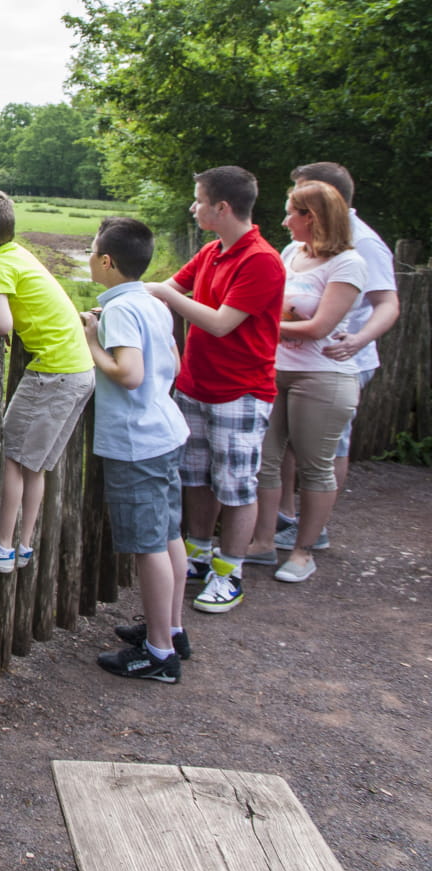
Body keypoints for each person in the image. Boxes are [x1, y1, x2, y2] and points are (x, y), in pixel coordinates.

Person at [145, 166, 284, 614]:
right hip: (196, 385)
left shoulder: (260, 260)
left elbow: (222, 323)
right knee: (196, 477)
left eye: (199, 200)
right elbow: (170, 287)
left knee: (237, 487)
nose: (193, 207)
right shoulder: (212, 252)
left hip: (239, 392)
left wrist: (165, 296)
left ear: (222, 207)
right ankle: (200, 556)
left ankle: (230, 573)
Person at [0, 189, 95, 574]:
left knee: (10, 457)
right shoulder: (14, 254)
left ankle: (0, 546)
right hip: (78, 370)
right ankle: (22, 544)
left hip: (53, 373)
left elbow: (1, 323)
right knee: (33, 466)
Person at [263, 162, 401, 556]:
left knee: (326, 448)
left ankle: (314, 530)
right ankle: (286, 517)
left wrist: (357, 340)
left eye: (301, 198)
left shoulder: (363, 245)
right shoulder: (298, 247)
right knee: (285, 446)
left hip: (336, 358)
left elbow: (387, 303)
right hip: (291, 359)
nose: (289, 214)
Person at [81, 217, 191, 682]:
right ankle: (173, 628)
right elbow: (174, 362)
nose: (89, 257)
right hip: (165, 431)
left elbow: (129, 373)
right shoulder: (152, 304)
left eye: (91, 250)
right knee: (169, 536)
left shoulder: (123, 312)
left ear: (106, 261)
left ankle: (159, 653)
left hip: (136, 443)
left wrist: (91, 341)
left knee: (148, 547)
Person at [243, 181, 366, 583]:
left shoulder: (348, 264)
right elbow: (283, 310)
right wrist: (285, 322)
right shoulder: (291, 253)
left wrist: (271, 324)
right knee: (266, 458)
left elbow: (318, 327)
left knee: (315, 466)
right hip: (275, 369)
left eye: (291, 212)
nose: (284, 221)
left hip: (323, 376)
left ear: (311, 217)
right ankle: (262, 542)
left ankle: (302, 551)